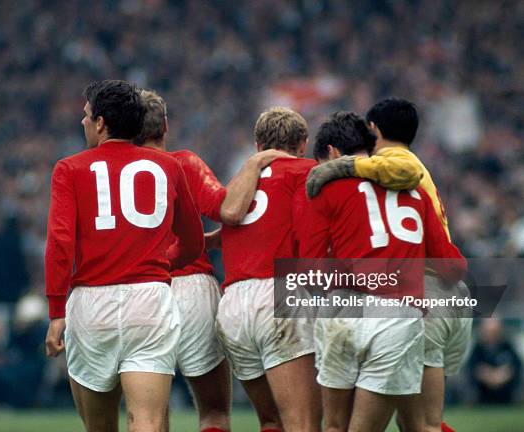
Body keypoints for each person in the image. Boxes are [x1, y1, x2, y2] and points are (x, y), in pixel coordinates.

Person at [44, 79, 204, 432]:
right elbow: (193, 244)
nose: (82, 121)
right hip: (149, 301)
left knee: (99, 426)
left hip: (90, 304)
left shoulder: (69, 169)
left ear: (101, 123)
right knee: (146, 421)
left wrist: (56, 310)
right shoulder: (169, 167)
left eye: (86, 115)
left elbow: (59, 243)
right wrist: (160, 264)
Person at [306, 98, 472, 432]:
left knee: (401, 424)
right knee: (420, 423)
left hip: (391, 296)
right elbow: (452, 264)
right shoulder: (407, 185)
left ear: (375, 130)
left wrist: (338, 169)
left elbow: (314, 268)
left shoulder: (392, 167)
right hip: (420, 296)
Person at [134, 90, 289, 432]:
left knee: (148, 418)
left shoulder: (113, 175)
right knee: (214, 413)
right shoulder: (183, 163)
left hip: (137, 289)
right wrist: (255, 163)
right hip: (191, 289)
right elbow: (228, 209)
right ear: (165, 126)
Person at [217, 107, 322, 432]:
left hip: (233, 304)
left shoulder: (243, 179)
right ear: (303, 144)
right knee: (302, 424)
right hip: (280, 294)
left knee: (271, 421)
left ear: (257, 145)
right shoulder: (308, 172)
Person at [469, 318, 522, 405]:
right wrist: (489, 376)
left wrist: (502, 376)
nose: (491, 335)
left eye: (494, 332)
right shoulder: (478, 349)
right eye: (488, 331)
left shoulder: (508, 347)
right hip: (482, 397)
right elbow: (473, 369)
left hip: (507, 397)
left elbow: (515, 367)